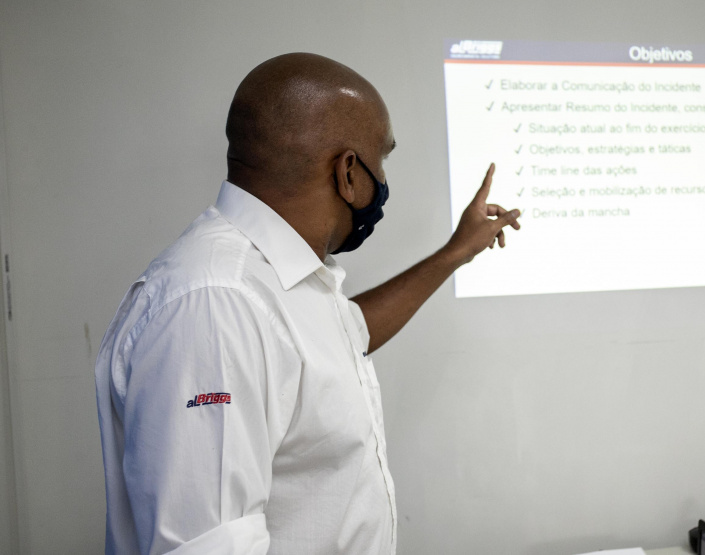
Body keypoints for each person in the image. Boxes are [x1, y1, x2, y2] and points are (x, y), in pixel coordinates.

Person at [94, 52, 520, 554]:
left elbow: (348, 335)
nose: (383, 180)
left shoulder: (275, 282)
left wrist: (454, 253)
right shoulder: (215, 306)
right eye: (381, 160)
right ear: (348, 172)